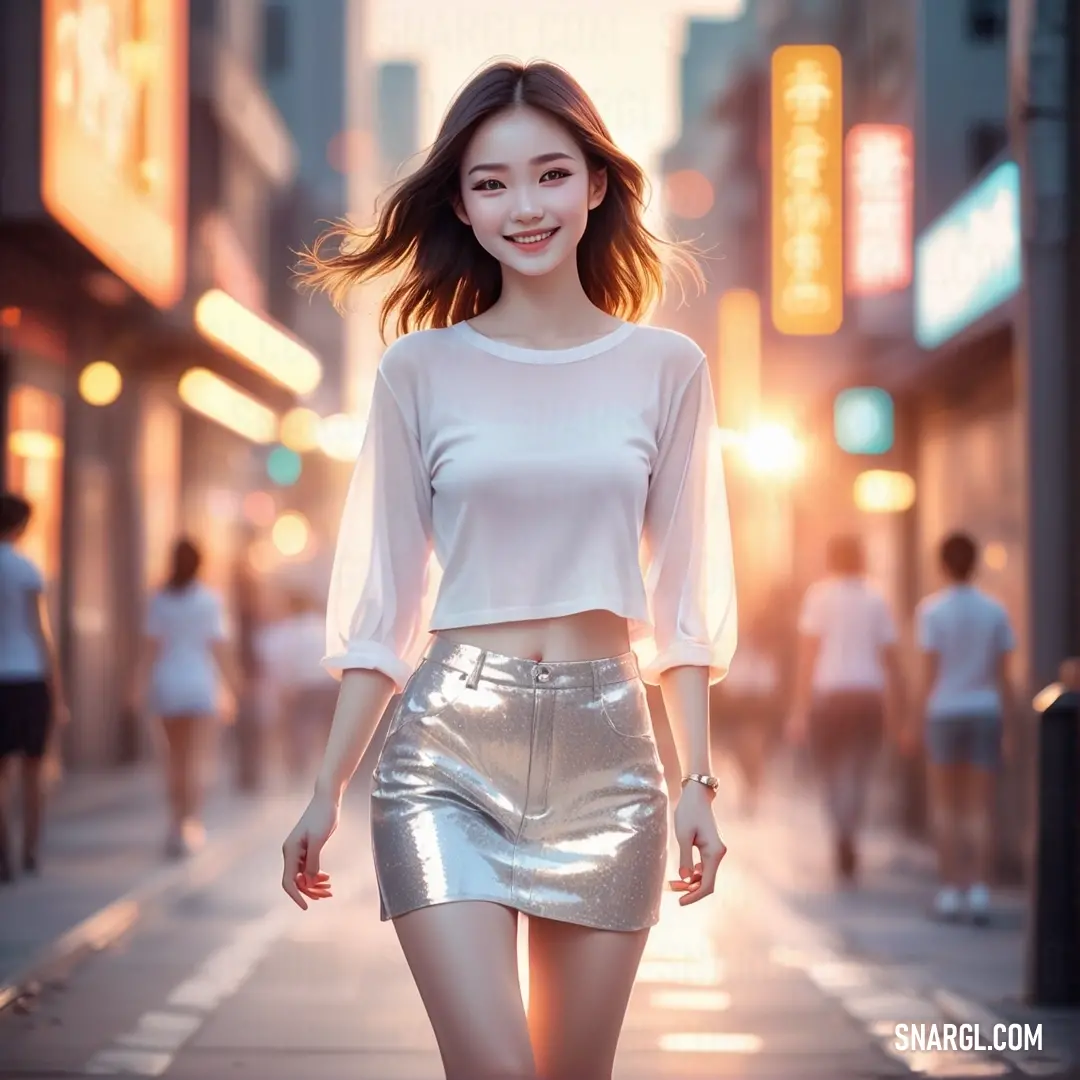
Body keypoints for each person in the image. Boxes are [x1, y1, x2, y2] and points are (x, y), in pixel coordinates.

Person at [280, 59, 737, 1080]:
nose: (524, 206)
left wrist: (693, 779)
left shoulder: (669, 370)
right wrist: (324, 790)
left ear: (596, 185)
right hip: (448, 760)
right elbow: (386, 607)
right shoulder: (417, 372)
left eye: (550, 175)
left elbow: (682, 602)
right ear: (460, 202)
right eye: (491, 182)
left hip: (612, 763)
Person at [788, 535, 902, 884]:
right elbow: (890, 657)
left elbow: (808, 655)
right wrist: (899, 708)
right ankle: (851, 829)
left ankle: (841, 831)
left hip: (829, 694)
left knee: (831, 772)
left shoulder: (819, 596)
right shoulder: (877, 597)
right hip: (868, 693)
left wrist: (798, 708)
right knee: (860, 770)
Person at [915, 532, 1016, 924]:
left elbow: (929, 673)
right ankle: (978, 890)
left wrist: (915, 721)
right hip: (984, 712)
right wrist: (1009, 727)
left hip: (944, 712)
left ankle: (951, 889)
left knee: (946, 806)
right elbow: (1004, 677)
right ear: (976, 563)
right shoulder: (995, 610)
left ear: (942, 565)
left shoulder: (932, 612)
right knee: (978, 807)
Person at [135, 538, 233, 858]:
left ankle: (175, 823)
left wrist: (137, 684)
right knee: (195, 759)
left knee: (174, 760)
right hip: (200, 684)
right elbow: (218, 648)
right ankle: (190, 822)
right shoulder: (209, 600)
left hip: (167, 684)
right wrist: (231, 686)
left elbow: (150, 649)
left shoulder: (160, 599)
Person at [0, 493, 67, 883]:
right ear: (21, 525)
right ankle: (30, 849)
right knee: (33, 768)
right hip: (28, 677)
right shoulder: (27, 568)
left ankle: (3, 853)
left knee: (1, 771)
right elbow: (42, 632)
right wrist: (57, 690)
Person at [256, 587, 338, 783]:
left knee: (300, 728)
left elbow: (280, 661)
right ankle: (333, 769)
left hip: (302, 686)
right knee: (330, 728)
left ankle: (299, 770)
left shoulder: (287, 630)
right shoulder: (323, 626)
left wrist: (283, 688)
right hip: (329, 684)